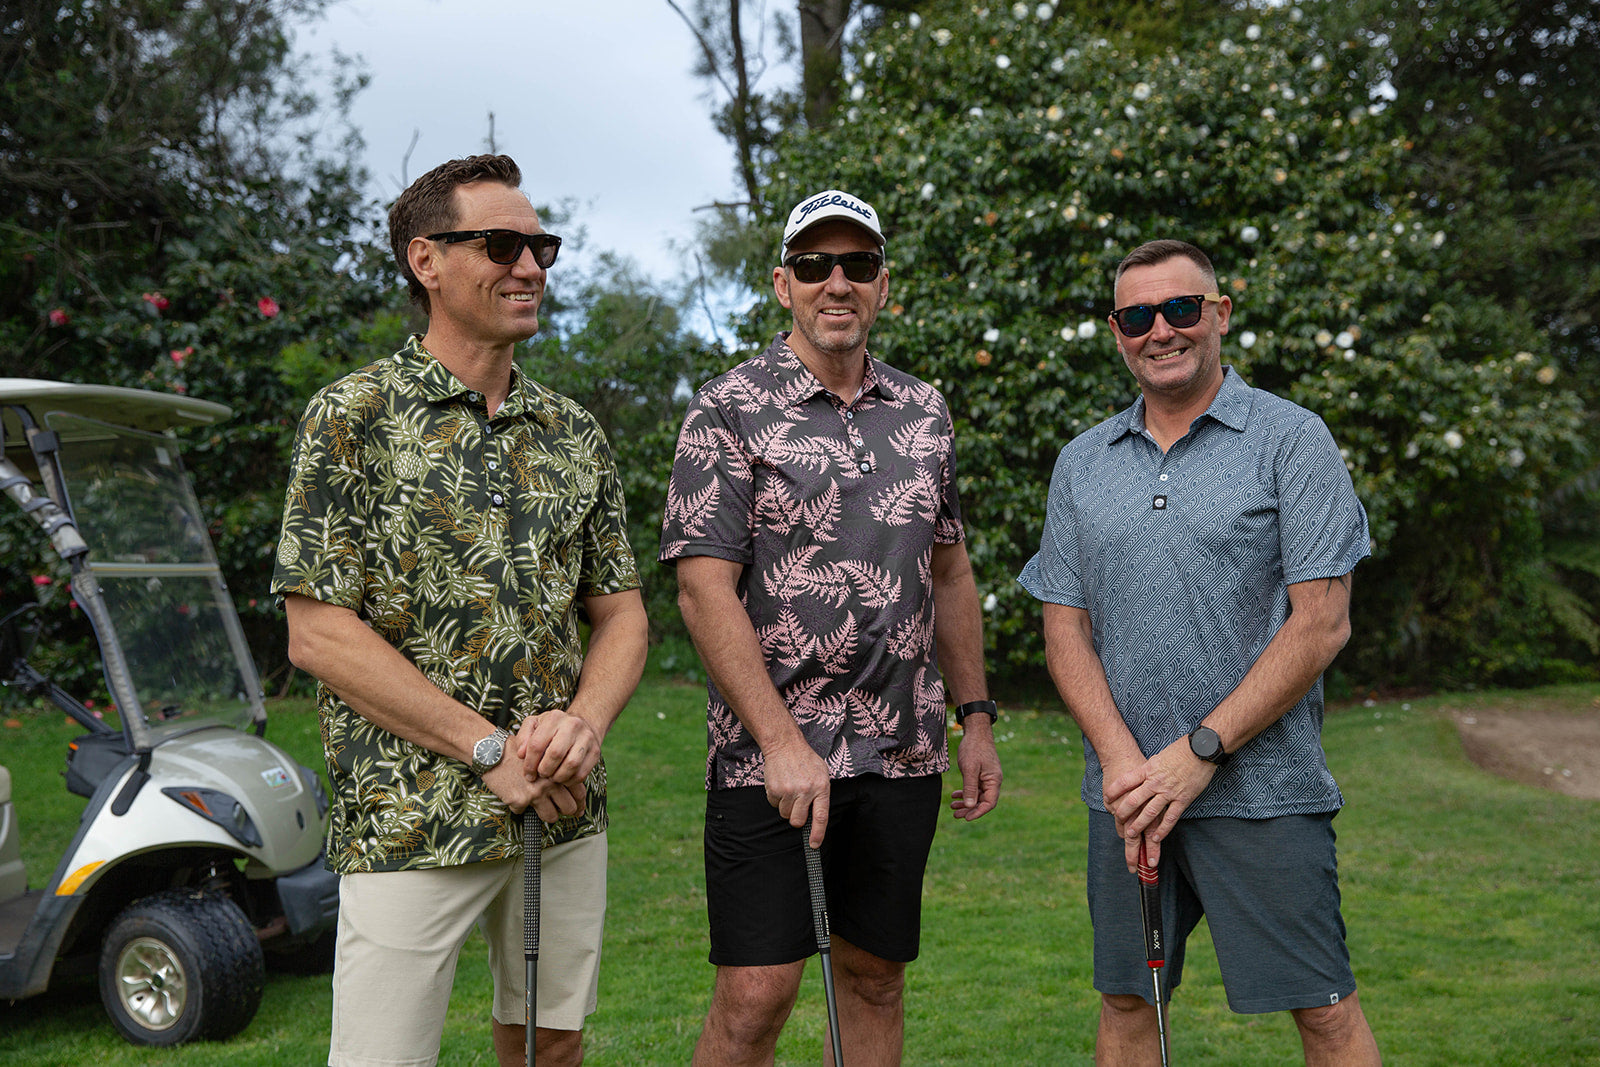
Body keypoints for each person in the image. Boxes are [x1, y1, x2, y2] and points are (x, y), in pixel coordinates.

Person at [271, 154, 647, 1067]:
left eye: (541, 247)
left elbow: (623, 614)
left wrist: (584, 726)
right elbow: (318, 633)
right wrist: (488, 750)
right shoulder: (353, 415)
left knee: (550, 1046)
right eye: (501, 245)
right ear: (426, 260)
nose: (529, 266)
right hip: (410, 814)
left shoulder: (573, 431)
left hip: (560, 805)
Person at [660, 188, 1004, 1067]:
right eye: (815, 265)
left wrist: (975, 717)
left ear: (883, 284)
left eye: (858, 264)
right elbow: (703, 590)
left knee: (875, 979)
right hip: (766, 756)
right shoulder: (728, 407)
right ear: (784, 284)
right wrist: (781, 741)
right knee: (755, 995)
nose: (837, 282)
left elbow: (949, 569)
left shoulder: (925, 411)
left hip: (901, 750)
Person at [1018, 238, 1382, 1064]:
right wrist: (1123, 764)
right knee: (1127, 1004)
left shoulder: (1292, 439)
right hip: (1127, 798)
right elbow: (1063, 627)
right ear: (1117, 332)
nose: (1161, 330)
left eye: (1181, 308)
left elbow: (1321, 623)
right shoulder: (1082, 462)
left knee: (1325, 1010)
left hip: (1266, 791)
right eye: (1137, 316)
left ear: (1220, 313)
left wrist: (1198, 752)